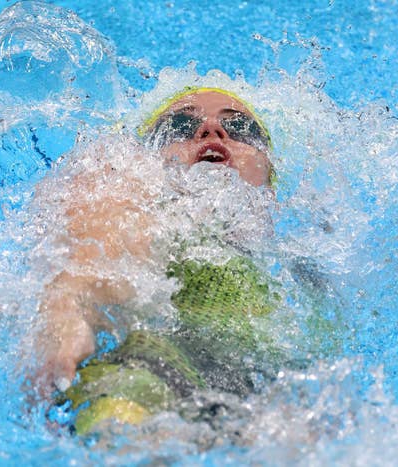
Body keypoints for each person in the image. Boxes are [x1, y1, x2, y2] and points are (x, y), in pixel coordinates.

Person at [32, 85, 339, 434]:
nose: (211, 130)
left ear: (270, 180)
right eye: (178, 126)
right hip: (152, 363)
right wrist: (68, 317)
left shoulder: (304, 263)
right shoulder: (138, 204)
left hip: (273, 382)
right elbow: (91, 252)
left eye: (241, 129)